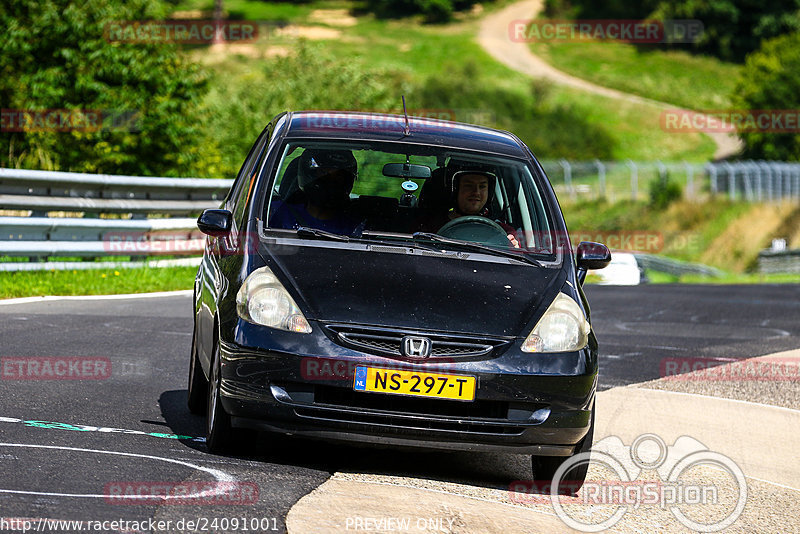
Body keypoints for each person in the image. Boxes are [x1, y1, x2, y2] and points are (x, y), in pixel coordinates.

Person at [415, 168, 520, 247]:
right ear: (455, 190)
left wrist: (513, 248)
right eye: (468, 185)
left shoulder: (504, 232)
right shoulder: (428, 226)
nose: (476, 192)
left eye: (482, 186)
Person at [269, 148, 362, 236]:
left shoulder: (356, 227)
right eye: (324, 173)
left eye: (339, 177)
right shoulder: (277, 212)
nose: (330, 183)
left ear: (348, 182)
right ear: (309, 176)